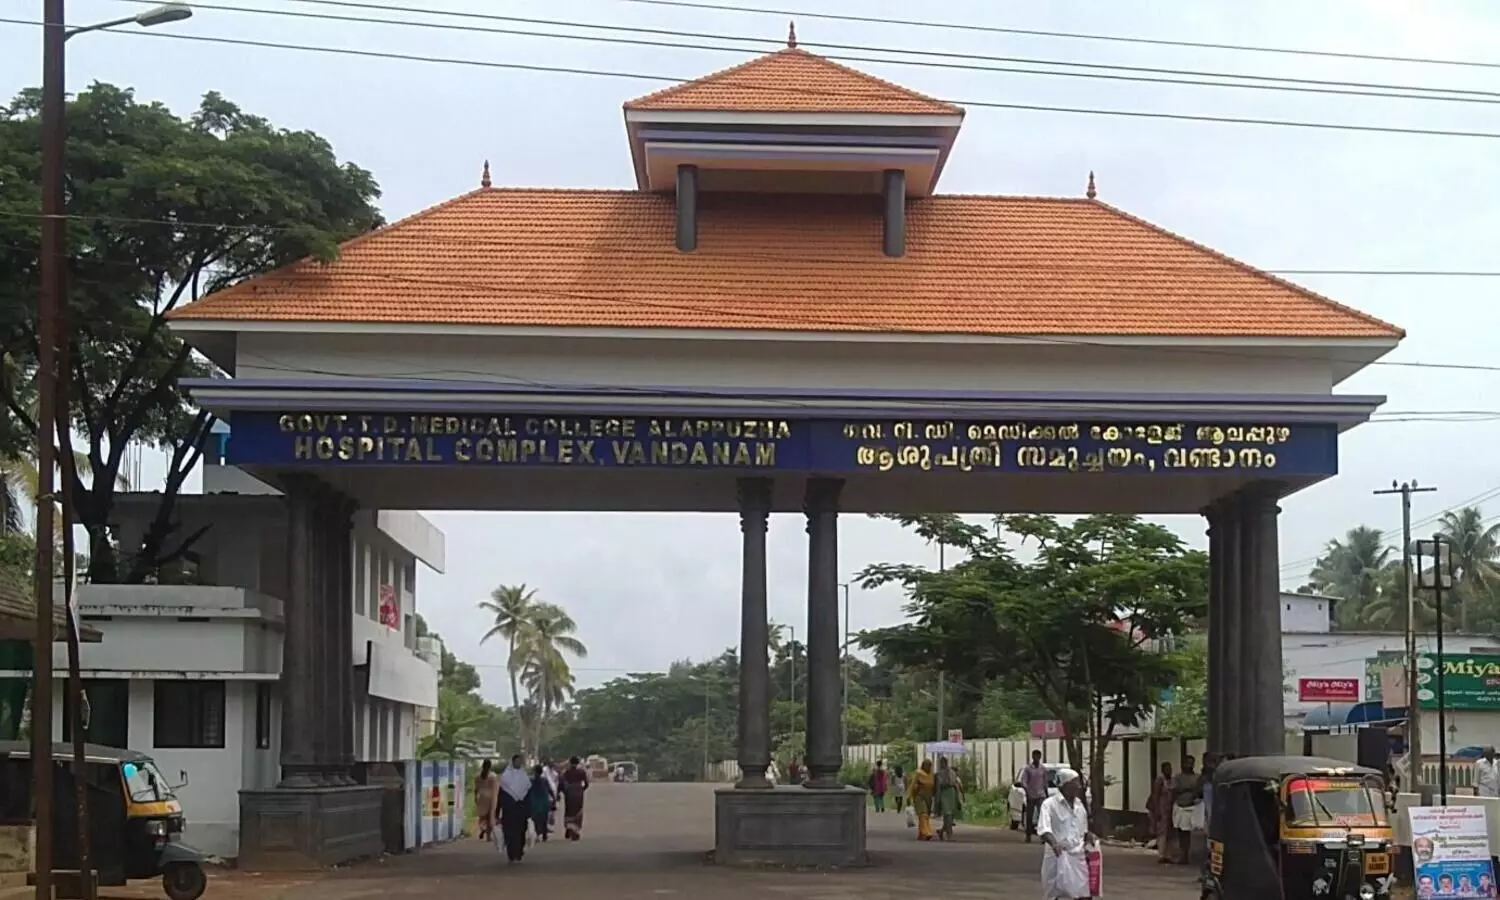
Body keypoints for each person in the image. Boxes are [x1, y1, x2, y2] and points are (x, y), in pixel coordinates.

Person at [1038, 768, 1095, 900]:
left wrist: (1089, 837)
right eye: (1075, 783)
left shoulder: (1080, 806)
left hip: (1077, 858)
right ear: (1065, 785)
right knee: (1057, 894)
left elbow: (1083, 830)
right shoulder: (1049, 805)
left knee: (1083, 894)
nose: (1079, 786)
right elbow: (1044, 829)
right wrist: (1054, 844)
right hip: (1058, 858)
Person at [496, 754, 532, 863]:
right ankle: (511, 854)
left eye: (520, 761)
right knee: (509, 832)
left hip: (521, 809)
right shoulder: (505, 777)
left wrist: (529, 810)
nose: (518, 763)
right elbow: (500, 795)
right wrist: (498, 811)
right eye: (516, 761)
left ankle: (519, 852)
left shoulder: (524, 777)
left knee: (521, 831)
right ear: (512, 762)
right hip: (509, 809)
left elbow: (528, 794)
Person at [1171, 755, 1203, 865]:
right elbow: (1175, 790)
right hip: (1181, 806)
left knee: (1191, 832)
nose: (1188, 766)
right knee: (1181, 832)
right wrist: (1188, 789)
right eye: (1186, 763)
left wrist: (1191, 792)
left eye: (1191, 763)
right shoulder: (1178, 777)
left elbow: (1199, 790)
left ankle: (1188, 855)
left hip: (1193, 806)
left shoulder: (1197, 777)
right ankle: (1183, 854)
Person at [1021, 750, 1050, 843]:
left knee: (1042, 816)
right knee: (1029, 816)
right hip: (1031, 795)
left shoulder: (1043, 769)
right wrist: (1027, 791)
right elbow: (1023, 782)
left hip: (1041, 795)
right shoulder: (1028, 769)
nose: (1037, 758)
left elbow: (1045, 782)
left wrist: (1047, 794)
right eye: (1035, 756)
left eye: (1038, 756)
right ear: (1032, 757)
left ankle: (1043, 837)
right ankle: (1028, 835)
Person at [1149, 760, 1174, 863]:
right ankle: (1161, 854)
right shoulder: (1160, 780)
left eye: (1170, 768)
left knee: (1170, 832)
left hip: (1170, 809)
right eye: (1167, 769)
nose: (1169, 771)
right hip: (1162, 808)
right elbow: (1155, 795)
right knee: (1162, 831)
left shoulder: (1171, 781)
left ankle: (1168, 854)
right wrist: (1157, 810)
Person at [934, 756, 964, 840]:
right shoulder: (938, 774)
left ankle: (942, 831)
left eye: (944, 762)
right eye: (941, 762)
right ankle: (949, 835)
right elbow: (938, 787)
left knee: (950, 816)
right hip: (944, 794)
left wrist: (958, 798)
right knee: (947, 815)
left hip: (951, 794)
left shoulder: (952, 772)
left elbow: (956, 785)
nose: (942, 764)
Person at [907, 759, 937, 841]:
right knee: (923, 813)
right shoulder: (918, 773)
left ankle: (921, 834)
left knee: (925, 815)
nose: (928, 767)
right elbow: (912, 785)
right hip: (919, 796)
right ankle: (927, 832)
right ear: (923, 765)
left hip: (929, 796)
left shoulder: (932, 774)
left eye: (930, 765)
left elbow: (934, 787)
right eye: (927, 765)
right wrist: (909, 796)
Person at [561, 755, 590, 840]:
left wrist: (565, 791)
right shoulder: (581, 772)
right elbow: (586, 784)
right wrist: (581, 790)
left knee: (569, 810)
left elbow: (562, 783)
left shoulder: (567, 772)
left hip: (569, 792)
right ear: (578, 763)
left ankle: (569, 827)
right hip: (578, 792)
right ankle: (575, 830)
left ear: (570, 763)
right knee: (578, 811)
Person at [528, 764, 554, 843]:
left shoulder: (531, 780)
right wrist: (554, 799)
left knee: (536, 819)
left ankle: (538, 834)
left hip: (535, 801)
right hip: (544, 801)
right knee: (544, 818)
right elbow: (550, 790)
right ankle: (544, 835)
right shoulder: (544, 780)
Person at [474, 759, 498, 842]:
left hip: (481, 796)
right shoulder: (493, 776)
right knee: (490, 816)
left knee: (482, 816)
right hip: (490, 796)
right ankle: (488, 836)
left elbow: (476, 789)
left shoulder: (477, 776)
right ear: (490, 766)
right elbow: (495, 789)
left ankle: (482, 828)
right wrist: (496, 798)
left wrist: (475, 798)